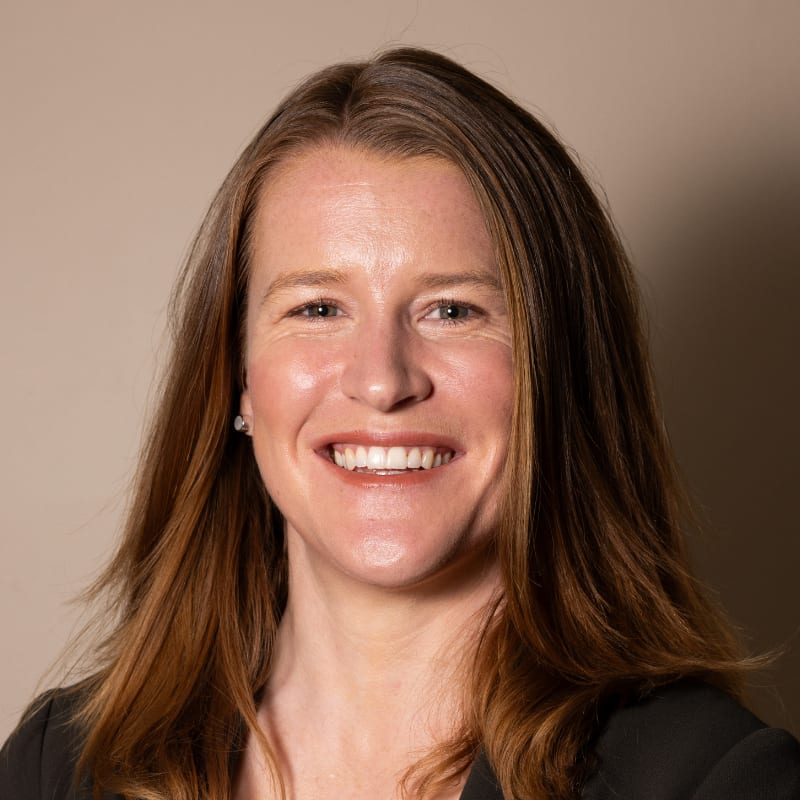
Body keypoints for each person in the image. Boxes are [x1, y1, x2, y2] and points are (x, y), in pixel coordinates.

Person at [1, 47, 798, 800]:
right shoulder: (61, 767)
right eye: (317, 308)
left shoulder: (715, 781)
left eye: (453, 309)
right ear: (237, 381)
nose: (382, 380)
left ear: (556, 377)